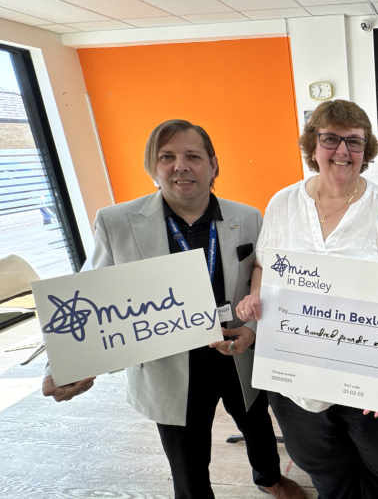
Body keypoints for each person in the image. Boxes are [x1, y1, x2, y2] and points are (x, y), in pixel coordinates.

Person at [42, 119, 303, 499]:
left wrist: (254, 331)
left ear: (214, 165)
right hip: (168, 360)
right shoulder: (116, 222)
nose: (181, 166)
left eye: (193, 156)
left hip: (237, 348)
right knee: (185, 455)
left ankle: (269, 478)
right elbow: (87, 294)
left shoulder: (248, 217)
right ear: (153, 167)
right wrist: (64, 363)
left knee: (256, 422)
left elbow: (265, 284)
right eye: (167, 156)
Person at [236, 99, 378, 499]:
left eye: (354, 142)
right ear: (313, 145)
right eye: (330, 139)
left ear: (367, 150)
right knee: (321, 464)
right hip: (295, 373)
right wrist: (255, 299)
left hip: (369, 380)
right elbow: (264, 268)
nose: (342, 151)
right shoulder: (283, 204)